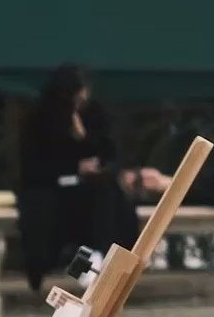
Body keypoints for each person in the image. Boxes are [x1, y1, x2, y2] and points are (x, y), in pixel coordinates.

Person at [14, 66, 152, 295]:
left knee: (109, 203)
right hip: (50, 190)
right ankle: (78, 265)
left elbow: (108, 153)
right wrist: (73, 167)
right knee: (49, 219)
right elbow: (33, 166)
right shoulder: (40, 120)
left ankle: (103, 261)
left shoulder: (92, 116)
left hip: (89, 191)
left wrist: (86, 143)